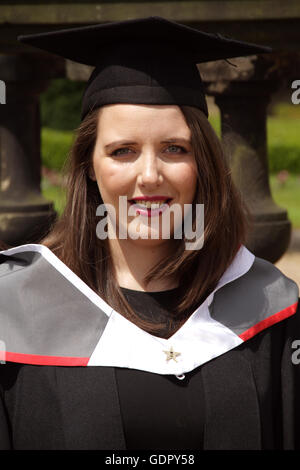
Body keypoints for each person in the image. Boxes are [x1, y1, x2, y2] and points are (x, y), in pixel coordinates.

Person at [0, 16, 299, 450]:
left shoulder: (268, 305)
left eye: (174, 149)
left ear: (203, 165)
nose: (150, 176)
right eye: (123, 151)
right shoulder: (16, 313)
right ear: (89, 166)